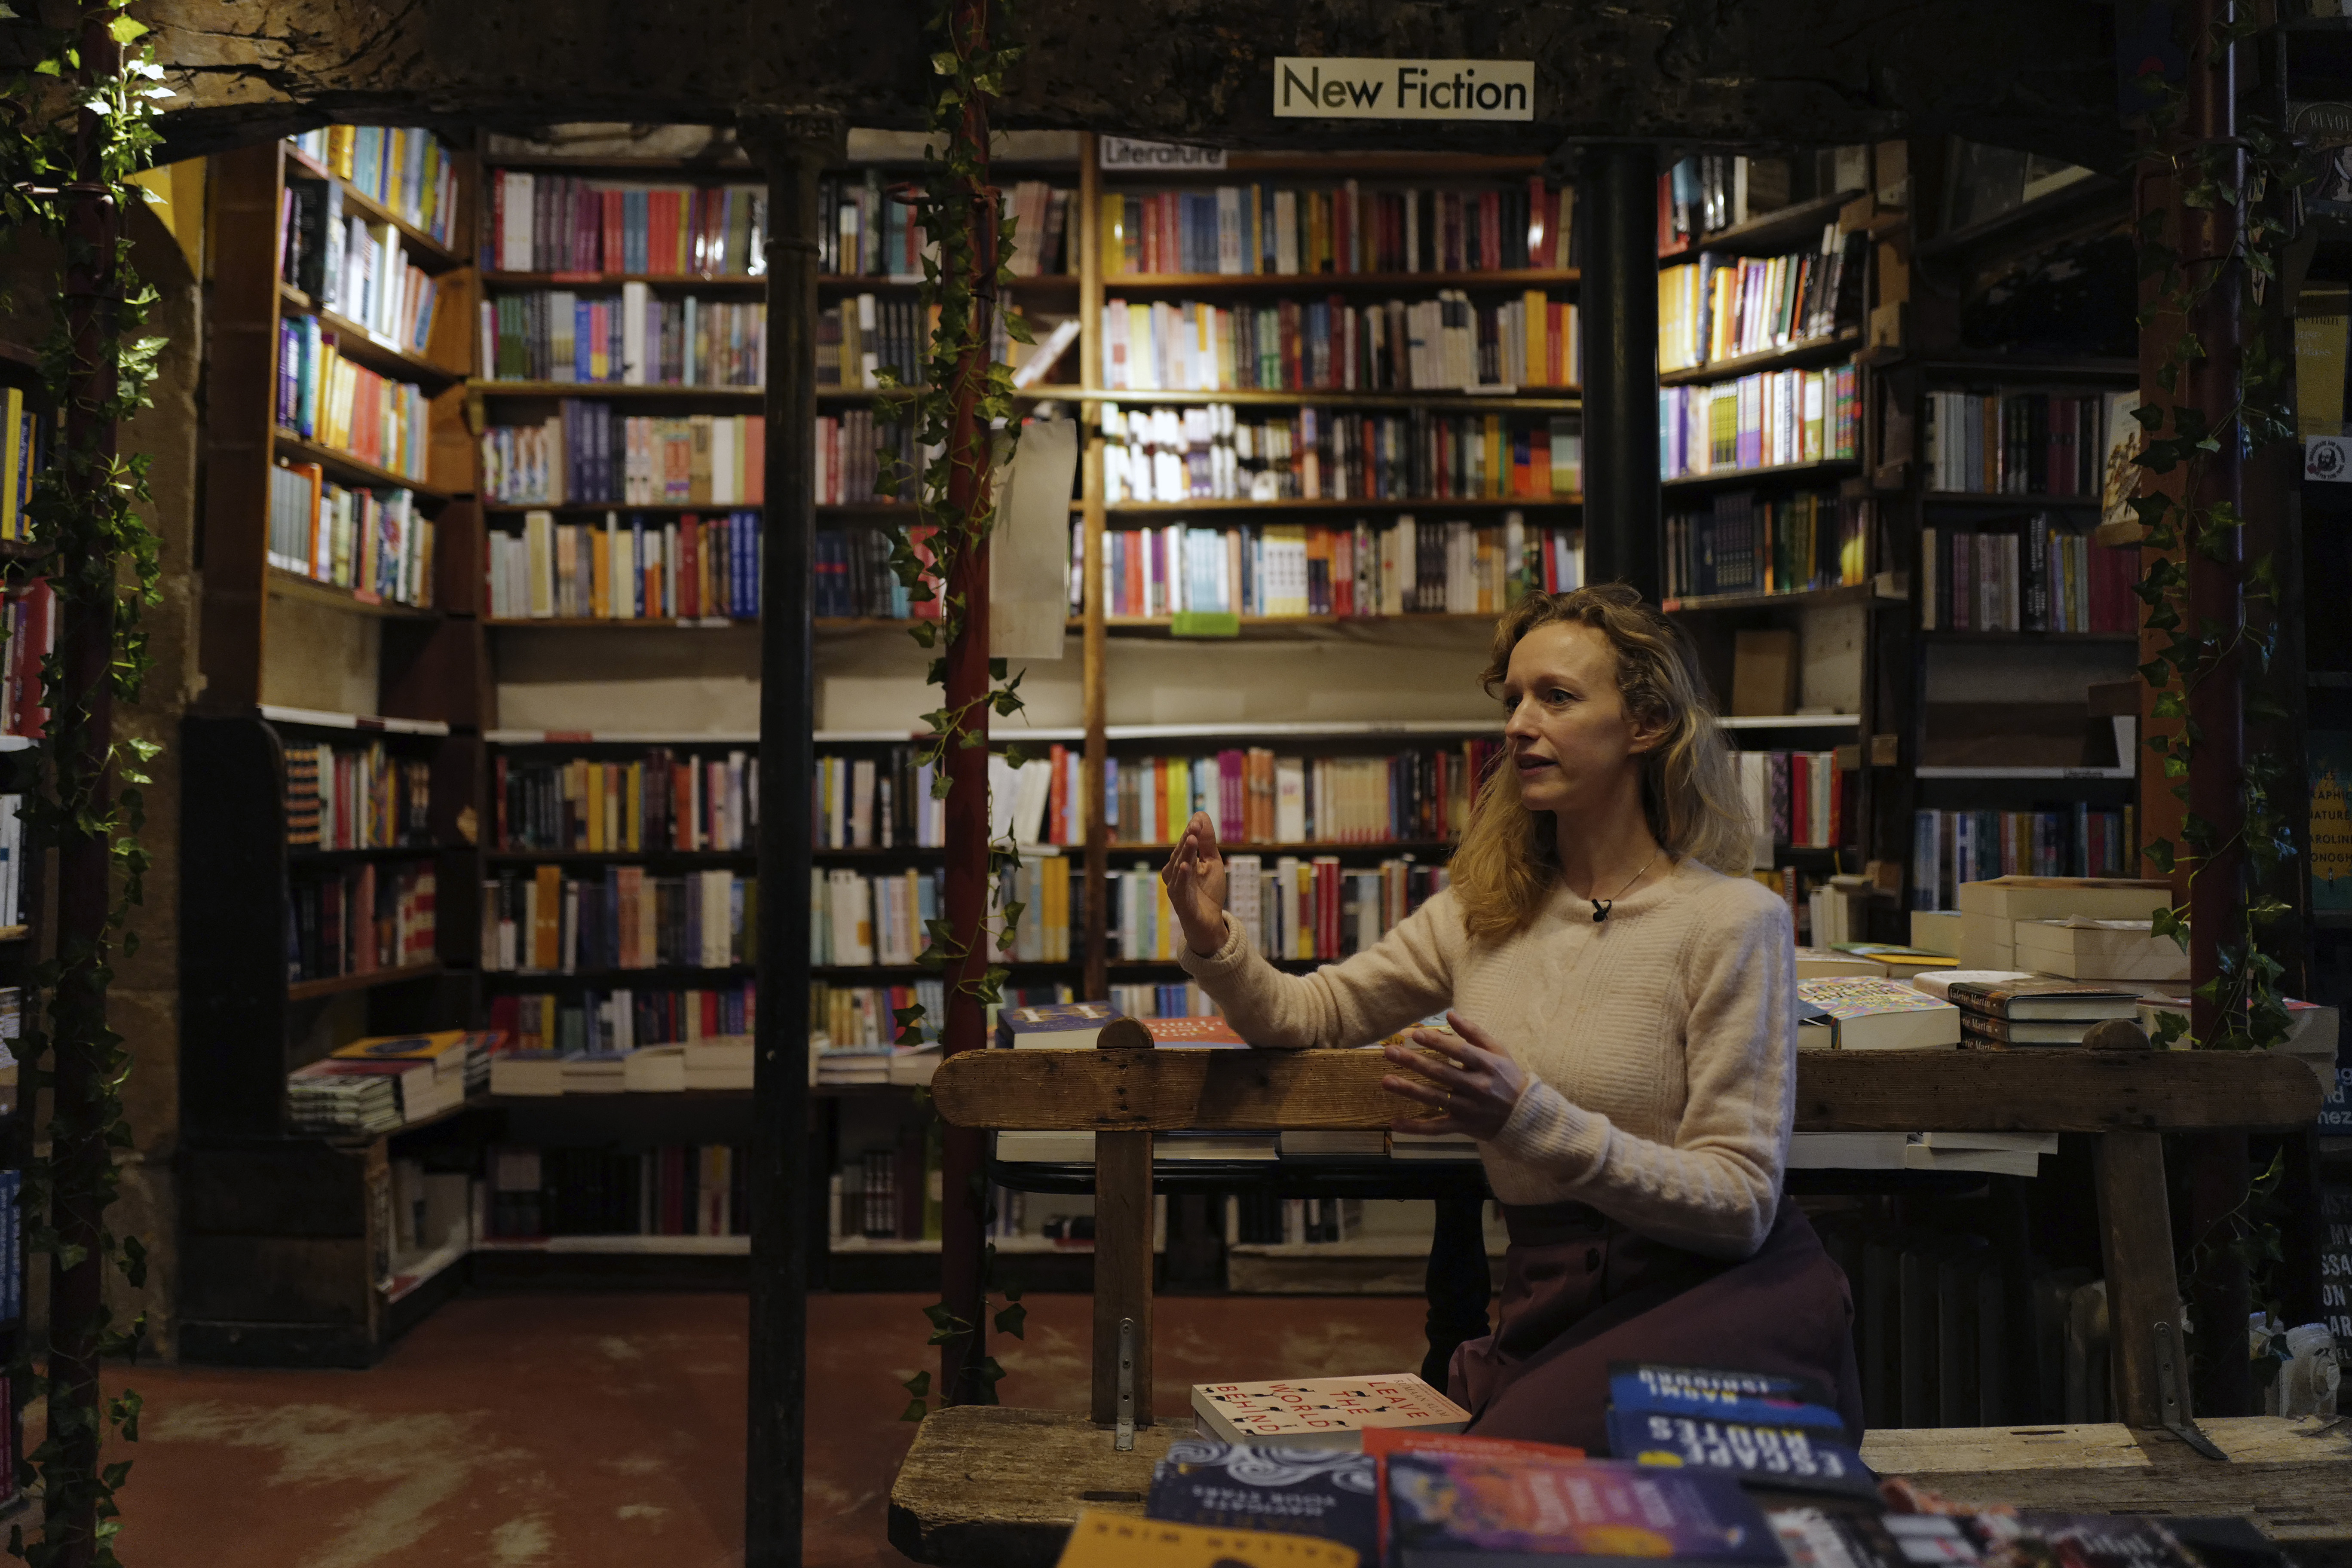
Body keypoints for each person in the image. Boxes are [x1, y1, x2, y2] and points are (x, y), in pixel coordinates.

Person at [1160, 584, 1863, 1450]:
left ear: (1644, 723)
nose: (1519, 724)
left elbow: (1741, 1204)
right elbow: (1314, 1012)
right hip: (1547, 1301)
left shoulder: (1731, 921)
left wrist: (1524, 1117)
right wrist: (1213, 935)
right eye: (1514, 699)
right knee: (1457, 1493)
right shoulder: (1483, 910)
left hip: (1715, 1300)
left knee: (1491, 1493)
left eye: (1557, 698)